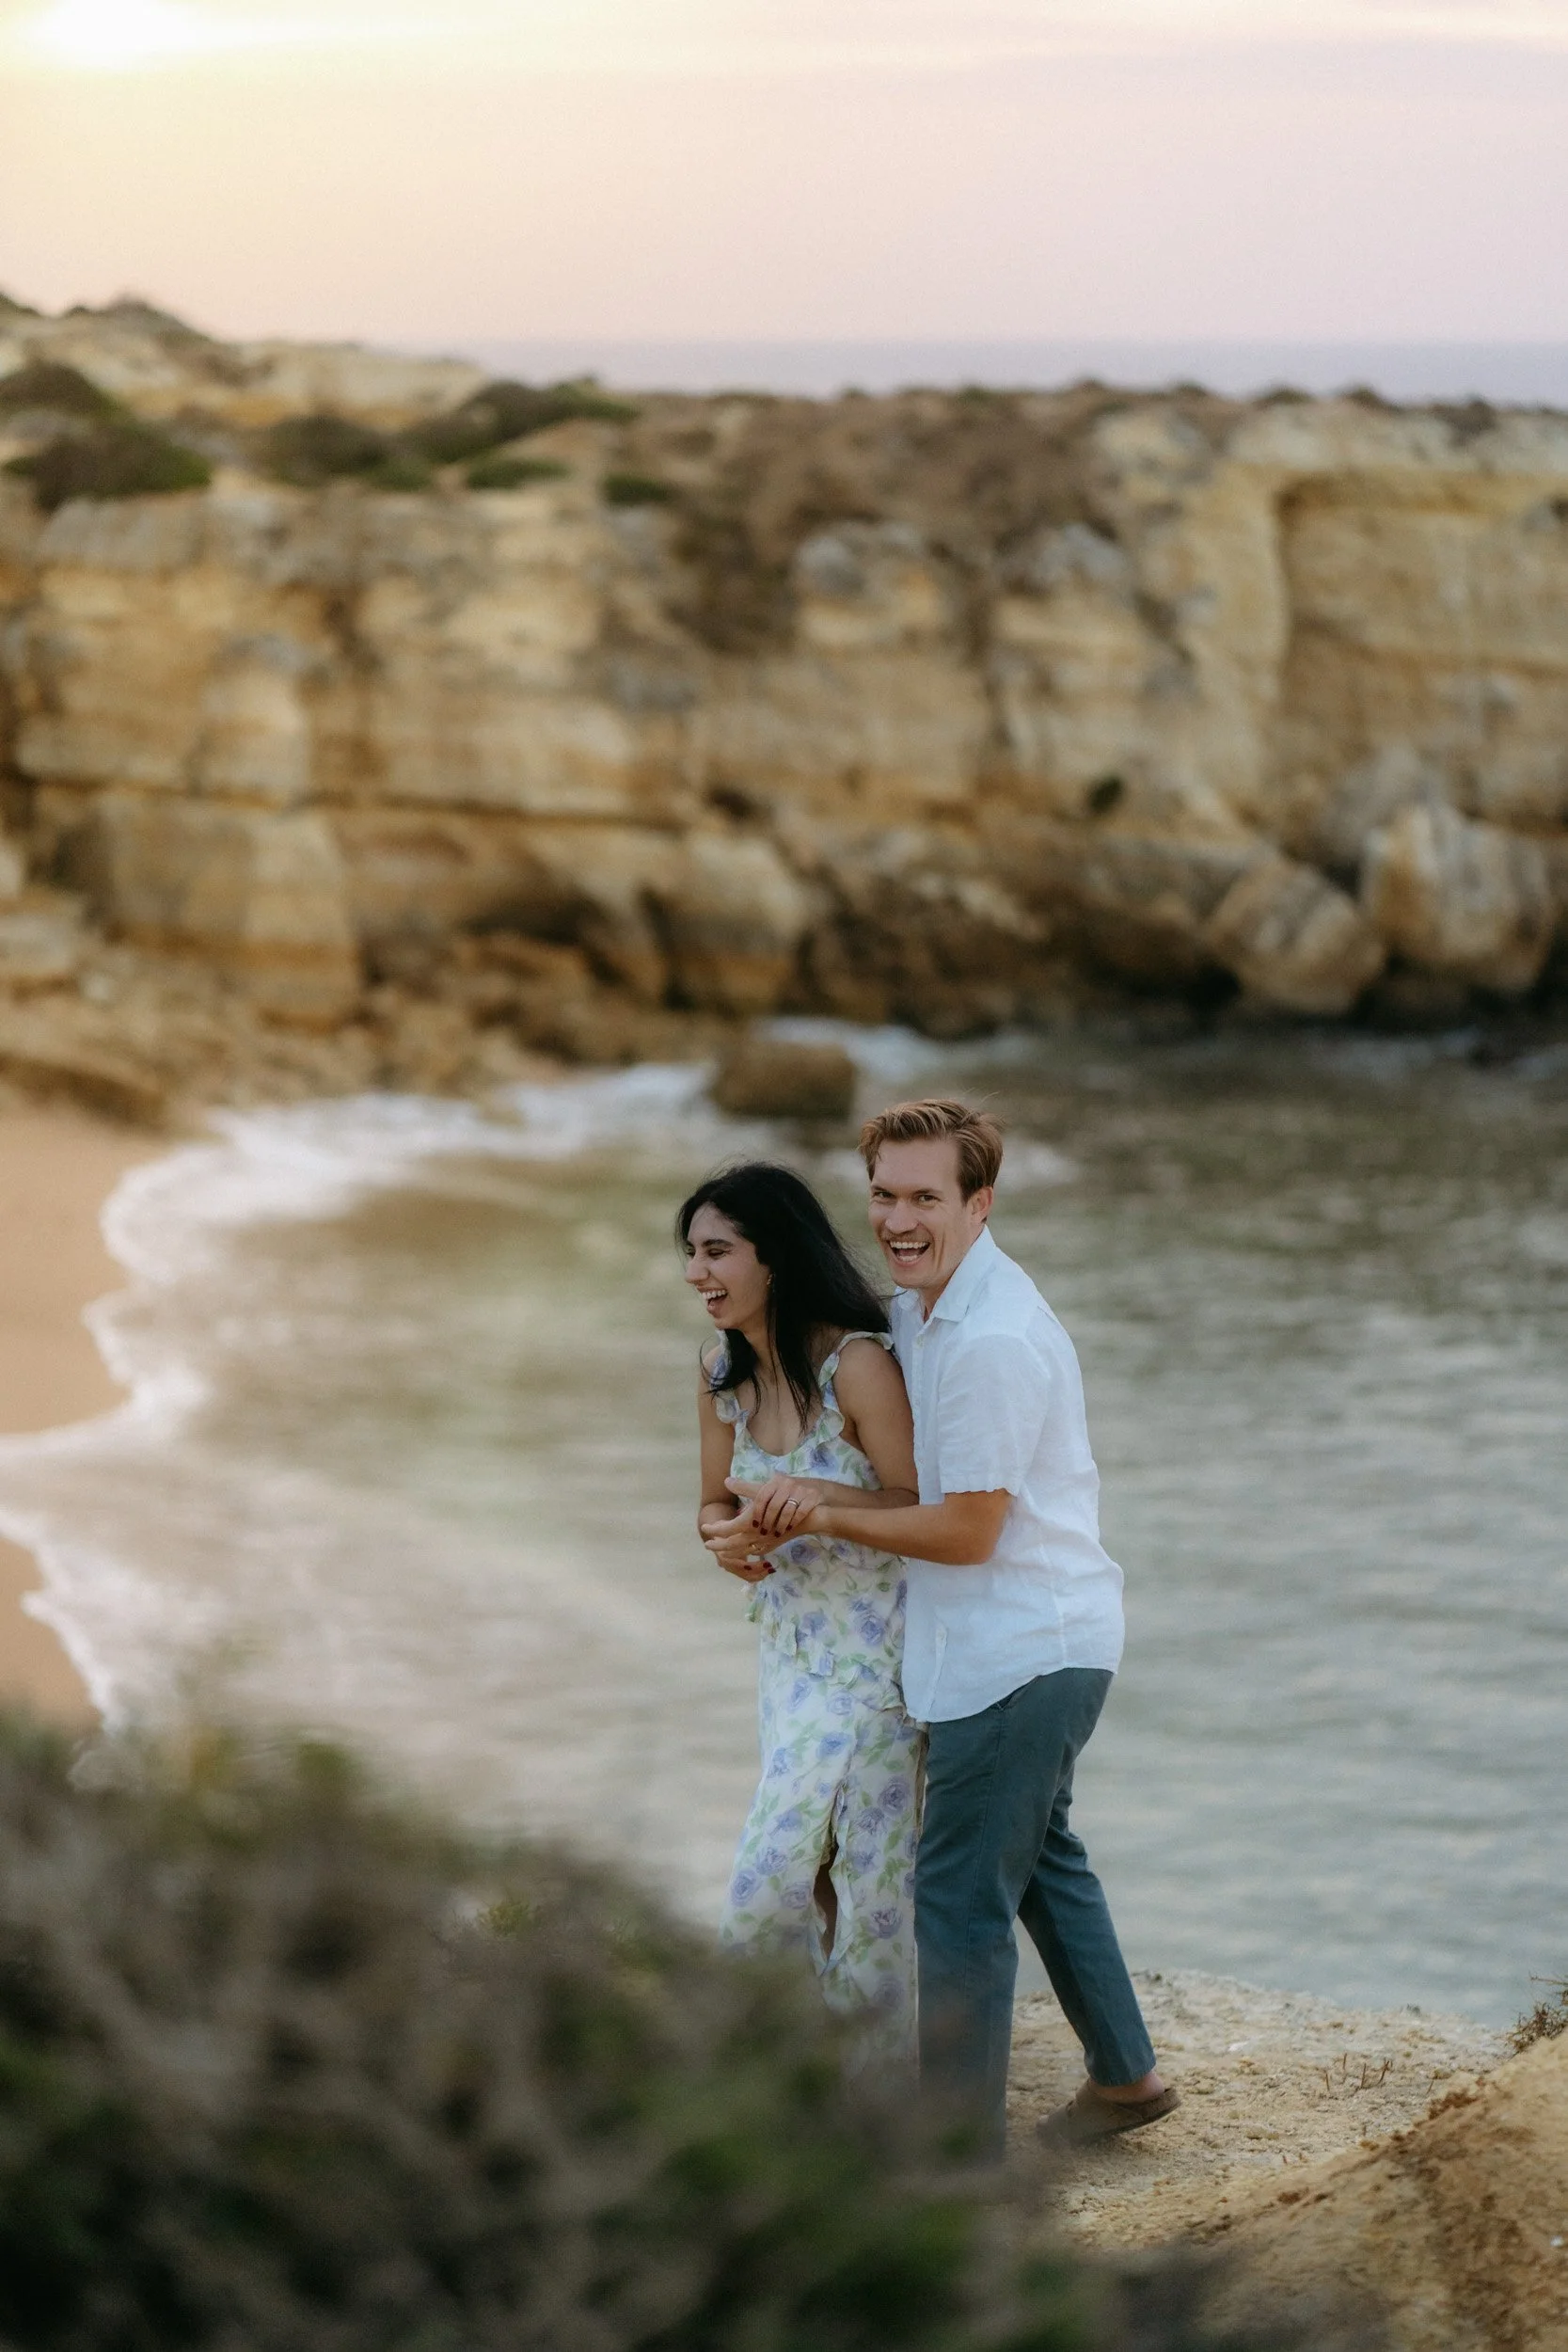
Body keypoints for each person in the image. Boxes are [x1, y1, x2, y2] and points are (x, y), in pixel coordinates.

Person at [730, 1101, 1174, 2158]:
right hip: (1023, 1642)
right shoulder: (921, 1312)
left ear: (978, 1203)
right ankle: (1125, 2077)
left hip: (1019, 1651)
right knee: (1039, 1857)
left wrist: (822, 1511)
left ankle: (955, 2165)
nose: (897, 1216)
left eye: (925, 1196)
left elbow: (971, 1531)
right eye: (882, 1193)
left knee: (957, 1896)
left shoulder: (990, 1342)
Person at [679, 1162, 924, 2058]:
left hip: (880, 1672)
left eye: (717, 1252)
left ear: (773, 1257)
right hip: (789, 1661)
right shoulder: (718, 1374)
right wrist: (726, 1542)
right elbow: (711, 1503)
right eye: (692, 1255)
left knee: (856, 1885)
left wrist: (818, 1498)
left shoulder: (856, 1366)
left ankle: (878, 2110)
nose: (698, 1274)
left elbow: (917, 1506)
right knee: (807, 1880)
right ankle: (798, 2093)